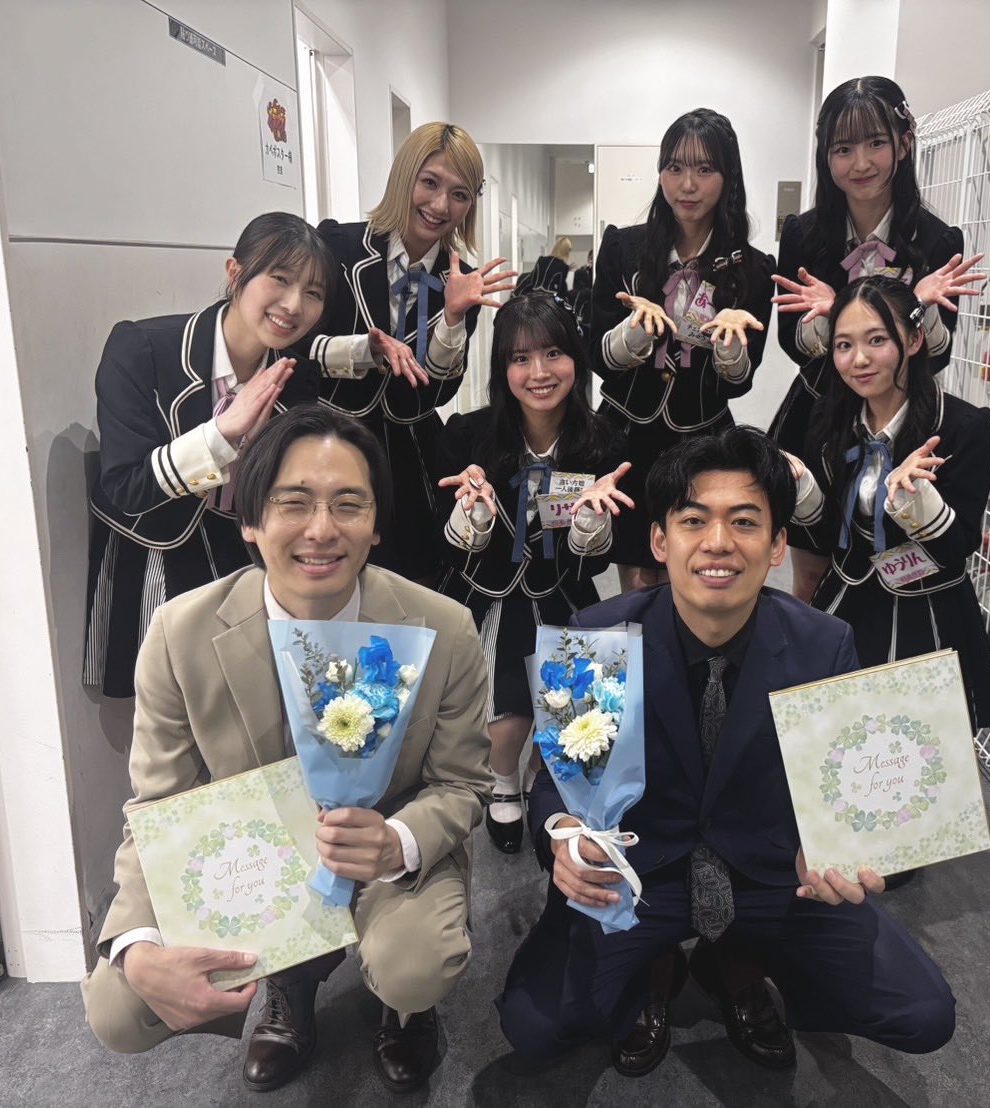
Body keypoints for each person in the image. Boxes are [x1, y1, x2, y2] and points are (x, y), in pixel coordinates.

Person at [497, 426, 955, 1077]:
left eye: (744, 522)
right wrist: (565, 833)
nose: (718, 542)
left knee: (921, 1014)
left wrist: (844, 844)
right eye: (693, 521)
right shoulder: (597, 637)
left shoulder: (823, 644)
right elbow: (557, 780)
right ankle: (655, 966)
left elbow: (847, 783)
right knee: (537, 1026)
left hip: (773, 875)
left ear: (776, 545)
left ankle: (733, 961)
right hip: (639, 875)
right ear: (660, 541)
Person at [81, 406, 491, 1095]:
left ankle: (404, 1008)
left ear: (377, 524)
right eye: (293, 503)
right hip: (254, 863)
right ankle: (289, 982)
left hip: (383, 854)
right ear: (249, 520)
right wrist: (135, 941)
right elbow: (159, 805)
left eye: (348, 505)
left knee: (414, 966)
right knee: (120, 1010)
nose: (321, 529)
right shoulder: (180, 634)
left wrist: (396, 842)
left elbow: (462, 784)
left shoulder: (444, 628)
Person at [84, 212, 333, 699]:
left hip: (246, 566)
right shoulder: (143, 349)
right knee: (167, 717)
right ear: (235, 272)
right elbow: (125, 487)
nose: (293, 305)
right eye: (280, 279)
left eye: (313, 293)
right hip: (155, 557)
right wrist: (222, 434)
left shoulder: (296, 376)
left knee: (254, 715)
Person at [770, 76, 985, 603]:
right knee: (812, 573)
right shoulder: (803, 234)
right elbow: (792, 344)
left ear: (903, 145)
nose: (860, 163)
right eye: (843, 149)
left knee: (896, 567)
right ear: (825, 156)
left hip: (900, 421)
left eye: (875, 143)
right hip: (818, 415)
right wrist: (831, 318)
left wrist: (919, 305)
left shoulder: (937, 240)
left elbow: (936, 356)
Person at [435, 293, 630, 855]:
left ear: (576, 359)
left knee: (569, 703)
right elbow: (450, 550)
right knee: (502, 704)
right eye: (520, 358)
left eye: (552, 354)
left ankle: (539, 777)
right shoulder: (467, 435)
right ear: (502, 368)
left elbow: (594, 563)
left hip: (562, 587)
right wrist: (473, 515)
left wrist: (590, 523)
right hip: (487, 588)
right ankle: (502, 779)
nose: (539, 373)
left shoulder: (604, 441)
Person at [297, 122, 517, 583]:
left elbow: (437, 392)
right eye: (429, 182)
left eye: (459, 194)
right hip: (326, 441)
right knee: (322, 572)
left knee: (408, 583)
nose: (440, 206)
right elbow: (293, 347)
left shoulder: (462, 280)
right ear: (404, 176)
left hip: (409, 454)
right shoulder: (337, 248)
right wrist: (364, 350)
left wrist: (452, 317)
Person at [792, 276, 990, 736]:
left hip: (928, 615)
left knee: (920, 751)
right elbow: (830, 535)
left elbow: (958, 547)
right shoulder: (830, 419)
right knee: (836, 743)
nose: (859, 360)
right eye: (844, 345)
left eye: (876, 340)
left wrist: (915, 499)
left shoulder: (963, 426)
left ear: (913, 340)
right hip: (846, 602)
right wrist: (802, 489)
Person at [589, 108, 775, 592]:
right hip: (627, 433)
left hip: (702, 436)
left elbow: (740, 382)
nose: (687, 185)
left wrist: (730, 344)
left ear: (728, 177)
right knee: (637, 578)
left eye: (704, 169)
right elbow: (596, 356)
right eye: (674, 168)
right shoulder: (623, 249)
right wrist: (635, 333)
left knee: (695, 571)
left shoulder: (753, 269)